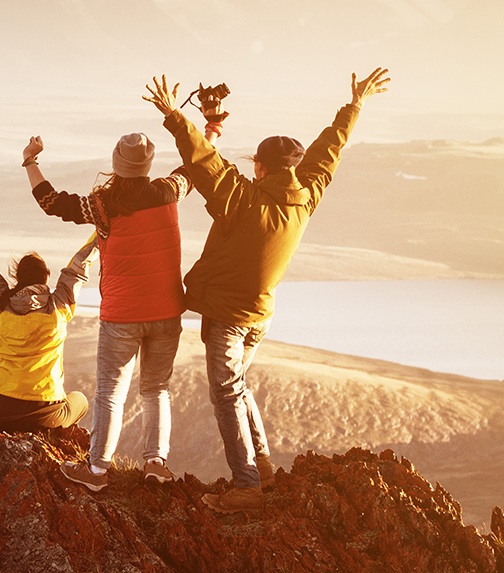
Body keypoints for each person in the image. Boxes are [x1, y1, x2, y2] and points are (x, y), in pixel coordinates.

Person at [143, 67, 391, 513]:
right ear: (292, 168)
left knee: (226, 395)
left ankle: (248, 486)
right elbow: (328, 151)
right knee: (237, 387)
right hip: (261, 316)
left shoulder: (243, 199)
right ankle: (263, 468)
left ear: (259, 165)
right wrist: (354, 106)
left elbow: (204, 162)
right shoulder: (306, 194)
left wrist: (174, 116)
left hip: (230, 319)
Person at [24, 128, 206, 489]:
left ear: (116, 164)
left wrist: (30, 161)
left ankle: (96, 471)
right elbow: (195, 167)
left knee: (110, 392)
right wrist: (211, 128)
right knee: (157, 388)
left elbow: (51, 202)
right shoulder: (170, 190)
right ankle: (156, 463)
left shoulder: (102, 204)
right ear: (148, 164)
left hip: (122, 314)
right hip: (167, 310)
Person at [0, 199, 96, 431]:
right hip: (46, 410)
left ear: (17, 278)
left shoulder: (0, 304)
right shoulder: (59, 306)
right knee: (80, 401)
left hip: (3, 408)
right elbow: (79, 266)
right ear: (46, 278)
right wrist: (103, 230)